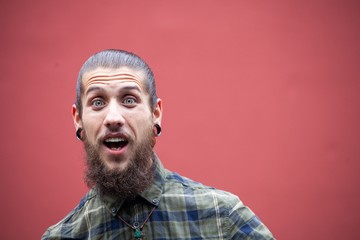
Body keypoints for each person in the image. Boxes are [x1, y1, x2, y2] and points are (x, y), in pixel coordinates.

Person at [42, 49, 275, 239]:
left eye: (129, 100)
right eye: (98, 102)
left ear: (156, 113)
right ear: (78, 119)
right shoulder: (63, 236)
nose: (113, 118)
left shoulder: (221, 216)